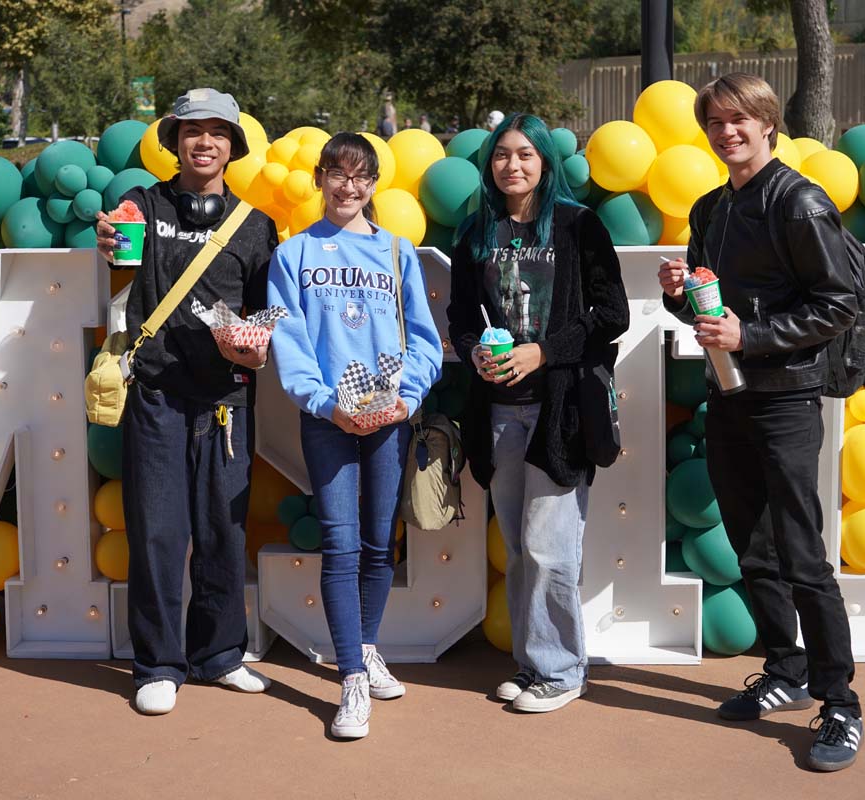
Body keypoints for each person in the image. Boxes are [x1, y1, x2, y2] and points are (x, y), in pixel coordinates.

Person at [657, 72, 864, 772]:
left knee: (803, 555)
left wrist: (753, 337)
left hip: (785, 399)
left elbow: (839, 302)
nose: (727, 133)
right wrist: (681, 298)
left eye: (739, 119)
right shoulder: (710, 208)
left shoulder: (799, 201)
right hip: (730, 397)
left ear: (768, 123)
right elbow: (710, 318)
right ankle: (786, 670)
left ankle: (841, 705)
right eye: (715, 122)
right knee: (752, 548)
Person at [94, 88, 276, 716]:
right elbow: (117, 244)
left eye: (217, 133)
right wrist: (108, 235)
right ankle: (157, 663)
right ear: (174, 141)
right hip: (156, 394)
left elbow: (262, 314)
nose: (204, 142)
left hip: (228, 399)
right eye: (191, 131)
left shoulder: (255, 225)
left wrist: (256, 346)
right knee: (157, 533)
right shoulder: (142, 203)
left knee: (224, 531)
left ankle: (221, 655)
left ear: (233, 145)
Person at [447, 113, 629, 714]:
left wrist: (543, 351)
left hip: (560, 414)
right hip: (498, 413)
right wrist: (475, 348)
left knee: (552, 547)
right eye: (502, 155)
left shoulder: (579, 226)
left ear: (545, 162)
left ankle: (562, 672)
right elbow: (461, 317)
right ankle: (533, 664)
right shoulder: (476, 232)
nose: (512, 165)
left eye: (525, 154)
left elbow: (612, 315)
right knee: (521, 549)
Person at [267, 133, 443, 739]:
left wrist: (407, 398)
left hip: (389, 419)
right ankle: (350, 681)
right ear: (319, 179)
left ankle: (366, 647)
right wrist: (323, 403)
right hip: (327, 421)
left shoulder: (398, 253)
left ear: (375, 185)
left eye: (361, 176)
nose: (349, 186)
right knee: (340, 543)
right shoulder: (292, 256)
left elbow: (424, 341)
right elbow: (287, 341)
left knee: (377, 542)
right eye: (337, 174)